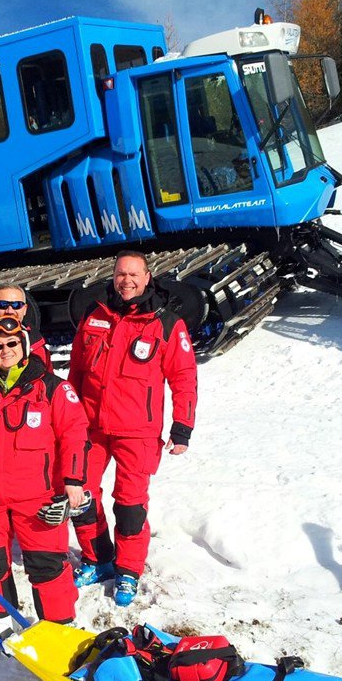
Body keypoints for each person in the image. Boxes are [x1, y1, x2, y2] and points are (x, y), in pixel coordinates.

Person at [67, 250, 198, 607]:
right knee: (79, 496)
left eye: (134, 274)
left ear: (147, 276)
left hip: (137, 432)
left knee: (129, 504)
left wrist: (182, 426)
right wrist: (68, 419)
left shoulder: (167, 323)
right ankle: (98, 558)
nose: (127, 280)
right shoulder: (95, 316)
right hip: (91, 428)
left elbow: (184, 378)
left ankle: (128, 568)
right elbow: (76, 371)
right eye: (121, 274)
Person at [0, 316, 89, 659]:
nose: (5, 350)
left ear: (25, 346)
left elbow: (75, 435)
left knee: (47, 566)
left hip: (37, 497)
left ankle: (59, 630)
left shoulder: (53, 388)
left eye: (12, 344)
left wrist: (73, 481)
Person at [0, 284, 51, 370]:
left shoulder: (37, 343)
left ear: (25, 309)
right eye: (3, 305)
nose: (10, 311)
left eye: (17, 305)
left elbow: (48, 378)